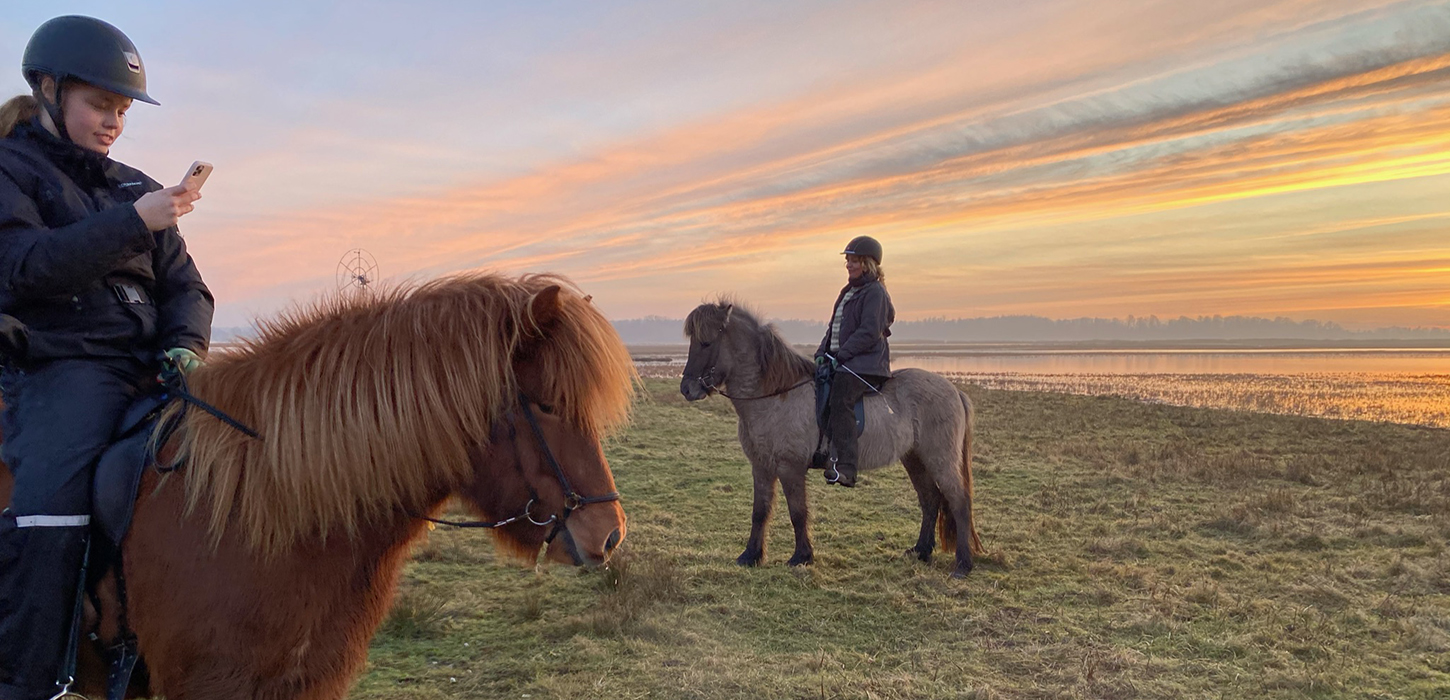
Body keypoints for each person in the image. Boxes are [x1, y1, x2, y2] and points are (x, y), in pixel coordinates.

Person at [0, 16, 212, 699]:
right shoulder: (10, 169)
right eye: (100, 104)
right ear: (48, 89)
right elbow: (22, 267)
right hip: (64, 365)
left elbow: (187, 287)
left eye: (122, 109)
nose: (114, 122)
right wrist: (134, 222)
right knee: (51, 506)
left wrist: (186, 343)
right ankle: (27, 679)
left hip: (155, 364)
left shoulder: (134, 185)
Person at [814, 236, 893, 488]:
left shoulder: (876, 293)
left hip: (866, 365)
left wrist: (841, 355)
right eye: (847, 260)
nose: (848, 265)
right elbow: (833, 328)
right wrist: (821, 352)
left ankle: (847, 467)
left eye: (854, 261)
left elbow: (869, 332)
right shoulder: (847, 292)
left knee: (841, 398)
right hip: (845, 361)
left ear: (867, 263)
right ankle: (823, 450)